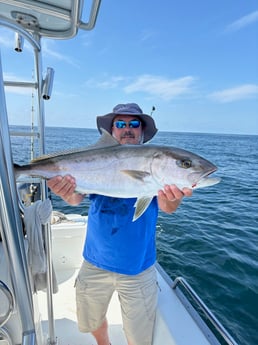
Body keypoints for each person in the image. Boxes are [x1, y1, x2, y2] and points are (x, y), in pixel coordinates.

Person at [47, 103, 192, 345]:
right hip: (94, 262)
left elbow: (168, 207)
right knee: (92, 322)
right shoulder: (97, 160)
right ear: (112, 131)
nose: (127, 129)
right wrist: (64, 191)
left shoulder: (154, 165)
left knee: (139, 336)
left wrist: (173, 196)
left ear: (142, 131)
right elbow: (75, 199)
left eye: (134, 124)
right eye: (121, 124)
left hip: (138, 268)